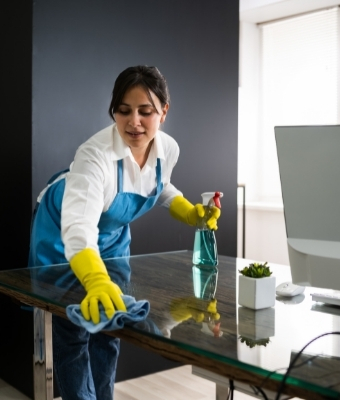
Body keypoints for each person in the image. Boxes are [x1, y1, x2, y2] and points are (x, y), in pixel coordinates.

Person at [28, 65, 221, 400]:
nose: (134, 123)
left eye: (146, 112)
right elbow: (78, 230)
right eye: (123, 111)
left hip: (113, 237)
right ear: (113, 111)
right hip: (64, 235)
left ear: (164, 111)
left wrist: (190, 213)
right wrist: (96, 280)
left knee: (111, 326)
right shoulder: (94, 157)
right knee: (73, 329)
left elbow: (158, 185)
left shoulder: (168, 149)